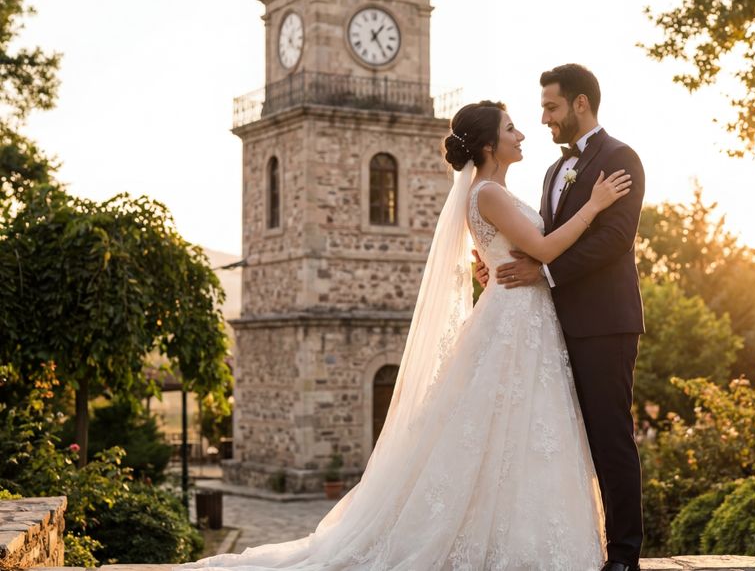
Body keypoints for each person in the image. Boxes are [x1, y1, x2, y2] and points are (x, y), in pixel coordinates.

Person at [174, 100, 632, 571]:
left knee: (517, 428)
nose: (522, 134)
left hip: (523, 317)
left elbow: (511, 252)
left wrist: (493, 265)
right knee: (509, 425)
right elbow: (545, 249)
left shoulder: (491, 192)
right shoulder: (490, 194)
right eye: (511, 128)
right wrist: (594, 205)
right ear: (489, 145)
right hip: (515, 320)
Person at [476, 64, 647, 571]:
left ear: (580, 103)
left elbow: (615, 239)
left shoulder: (620, 158)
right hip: (549, 327)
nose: (544, 118)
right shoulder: (554, 171)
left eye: (551, 107)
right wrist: (496, 263)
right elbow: (541, 240)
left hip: (604, 322)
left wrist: (544, 274)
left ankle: (624, 555)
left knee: (610, 436)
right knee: (563, 439)